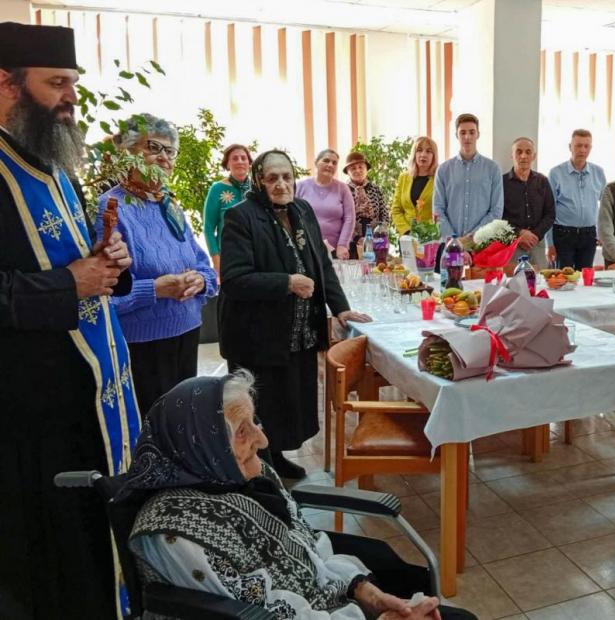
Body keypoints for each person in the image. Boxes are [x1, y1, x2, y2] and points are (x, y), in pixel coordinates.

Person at [122, 372, 476, 619]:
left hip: (324, 604)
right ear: (203, 446)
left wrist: (366, 593)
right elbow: (261, 613)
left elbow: (308, 548)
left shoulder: (247, 475)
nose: (262, 440)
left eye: (255, 422)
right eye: (242, 432)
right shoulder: (177, 534)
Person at [0, 22, 141, 619]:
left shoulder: (58, 166)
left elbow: (85, 262)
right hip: (32, 421)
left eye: (74, 84)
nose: (70, 98)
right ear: (7, 84)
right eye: (56, 83)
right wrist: (69, 284)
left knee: (97, 543)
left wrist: (114, 262)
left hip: (94, 402)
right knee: (53, 566)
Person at [219, 150, 370, 480]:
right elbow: (233, 279)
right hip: (258, 334)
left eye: (286, 177)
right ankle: (260, 466)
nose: (281, 184)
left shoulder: (302, 209)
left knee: (287, 401)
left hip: (298, 330)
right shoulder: (240, 217)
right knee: (261, 403)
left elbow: (321, 264)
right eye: (272, 178)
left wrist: (341, 307)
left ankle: (275, 456)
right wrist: (286, 283)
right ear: (259, 181)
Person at [96, 113, 218, 415]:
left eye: (170, 151)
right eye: (153, 147)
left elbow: (204, 266)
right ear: (128, 153)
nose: (164, 157)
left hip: (187, 332)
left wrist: (201, 280)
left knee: (182, 423)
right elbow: (103, 297)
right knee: (153, 427)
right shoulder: (111, 207)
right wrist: (156, 289)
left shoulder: (169, 205)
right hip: (143, 346)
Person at [433, 113, 503, 245]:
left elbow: (496, 211)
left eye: (472, 132)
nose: (467, 137)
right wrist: (454, 241)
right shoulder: (443, 170)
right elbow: (438, 209)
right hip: (450, 246)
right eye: (462, 132)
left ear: (478, 134)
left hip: (481, 244)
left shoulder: (493, 169)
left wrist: (472, 238)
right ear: (456, 135)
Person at [546, 129, 607, 269]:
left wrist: (602, 233)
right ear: (570, 147)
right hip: (563, 235)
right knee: (563, 277)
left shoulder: (598, 172)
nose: (582, 150)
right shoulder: (556, 173)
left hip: (589, 235)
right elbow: (549, 210)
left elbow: (605, 207)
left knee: (585, 276)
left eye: (586, 146)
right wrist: (549, 244)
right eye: (578, 145)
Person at [502, 136, 555, 270]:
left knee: (540, 280)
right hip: (512, 245)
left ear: (534, 156)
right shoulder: (501, 183)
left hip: (537, 245)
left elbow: (550, 214)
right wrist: (519, 234)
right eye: (519, 152)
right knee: (514, 280)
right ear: (512, 155)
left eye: (528, 152)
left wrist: (535, 235)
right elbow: (498, 217)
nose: (523, 156)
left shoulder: (543, 181)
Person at [203, 143, 253, 275]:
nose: (240, 161)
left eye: (243, 158)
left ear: (249, 163)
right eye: (235, 158)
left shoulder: (257, 188)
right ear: (227, 164)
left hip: (256, 257)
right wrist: (217, 263)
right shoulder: (217, 189)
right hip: (228, 258)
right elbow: (208, 228)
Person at [296, 149, 355, 259]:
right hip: (306, 249)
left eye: (334, 163)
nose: (330, 165)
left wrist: (342, 244)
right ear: (316, 163)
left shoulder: (343, 188)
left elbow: (349, 218)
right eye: (326, 161)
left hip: (335, 251)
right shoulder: (300, 186)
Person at [344, 151, 388, 258]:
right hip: (351, 242)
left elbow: (384, 214)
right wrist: (356, 238)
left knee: (377, 266)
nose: (357, 170)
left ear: (366, 169)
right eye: (353, 168)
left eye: (361, 167)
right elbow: (342, 219)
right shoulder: (344, 191)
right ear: (348, 172)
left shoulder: (376, 189)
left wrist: (379, 234)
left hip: (376, 240)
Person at [391, 136, 437, 236]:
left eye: (428, 151)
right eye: (419, 150)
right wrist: (407, 231)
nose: (423, 155)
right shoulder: (403, 177)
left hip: (430, 237)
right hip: (406, 237)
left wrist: (428, 232)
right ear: (414, 154)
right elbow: (396, 210)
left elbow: (443, 211)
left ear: (434, 156)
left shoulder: (439, 179)